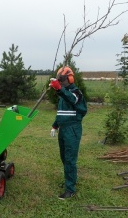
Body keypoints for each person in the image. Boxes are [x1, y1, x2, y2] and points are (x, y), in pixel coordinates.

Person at [49, 66, 87, 200]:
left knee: (70, 159)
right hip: (63, 129)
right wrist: (55, 125)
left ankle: (70, 190)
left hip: (72, 129)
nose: (62, 82)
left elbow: (72, 99)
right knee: (64, 157)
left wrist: (59, 89)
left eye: (63, 79)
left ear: (70, 78)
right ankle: (70, 180)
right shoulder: (63, 95)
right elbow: (61, 113)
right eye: (60, 80)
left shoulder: (76, 93)